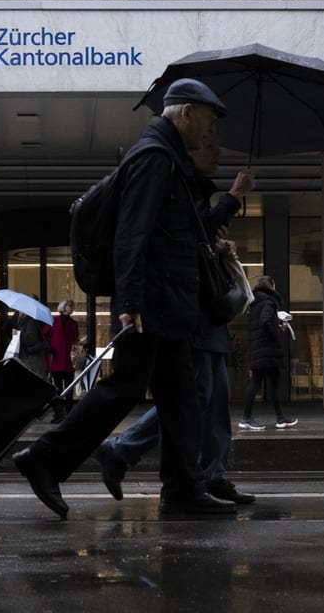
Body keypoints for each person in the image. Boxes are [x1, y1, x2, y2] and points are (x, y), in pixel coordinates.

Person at [12, 78, 236, 518]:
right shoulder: (154, 158)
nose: (208, 134)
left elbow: (170, 233)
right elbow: (132, 235)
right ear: (186, 113)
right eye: (206, 123)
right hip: (150, 303)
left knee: (182, 399)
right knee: (123, 388)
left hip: (168, 304)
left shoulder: (171, 160)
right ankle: (45, 458)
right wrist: (129, 302)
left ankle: (182, 489)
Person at [95, 133, 258, 505]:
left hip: (209, 311)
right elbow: (181, 240)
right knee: (195, 396)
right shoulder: (176, 183)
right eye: (212, 145)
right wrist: (235, 194)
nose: (218, 153)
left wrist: (217, 243)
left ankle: (214, 473)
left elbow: (199, 238)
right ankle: (122, 449)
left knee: (215, 401)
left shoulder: (192, 189)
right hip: (194, 312)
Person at [239, 275, 297, 430]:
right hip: (267, 349)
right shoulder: (269, 302)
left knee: (264, 382)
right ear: (271, 286)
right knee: (264, 383)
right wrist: (277, 330)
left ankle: (280, 418)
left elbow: (259, 322)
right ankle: (246, 418)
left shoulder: (255, 303)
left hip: (260, 348)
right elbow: (265, 321)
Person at [47, 299, 80, 424]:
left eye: (72, 305)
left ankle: (69, 413)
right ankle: (59, 414)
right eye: (69, 306)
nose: (71, 308)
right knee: (58, 389)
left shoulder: (73, 323)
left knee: (69, 388)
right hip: (56, 359)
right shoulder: (54, 321)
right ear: (63, 307)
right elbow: (45, 333)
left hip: (68, 361)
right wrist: (48, 347)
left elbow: (75, 339)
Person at [15, 296, 51, 378]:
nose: (19, 312)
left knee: (32, 380)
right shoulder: (23, 321)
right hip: (29, 356)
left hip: (31, 357)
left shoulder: (31, 321)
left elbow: (31, 339)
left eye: (21, 310)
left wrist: (18, 334)